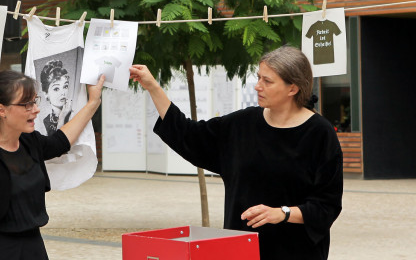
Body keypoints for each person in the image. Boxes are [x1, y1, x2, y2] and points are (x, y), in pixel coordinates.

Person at [128, 46, 342, 260]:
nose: (258, 86)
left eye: (267, 81)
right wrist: (153, 86)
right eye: (258, 78)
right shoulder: (242, 124)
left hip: (297, 253)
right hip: (240, 251)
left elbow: (327, 206)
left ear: (292, 88)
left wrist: (281, 213)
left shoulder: (320, 134)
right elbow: (189, 135)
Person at [0, 71, 105, 260]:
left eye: (35, 101)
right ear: (2, 110)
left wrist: (93, 102)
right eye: (27, 104)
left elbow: (60, 142)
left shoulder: (29, 141)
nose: (36, 109)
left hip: (34, 248)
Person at [39, 60, 72, 135]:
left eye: (65, 86)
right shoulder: (46, 121)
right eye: (56, 89)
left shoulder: (74, 116)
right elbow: (57, 144)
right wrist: (62, 116)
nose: (63, 92)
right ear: (46, 93)